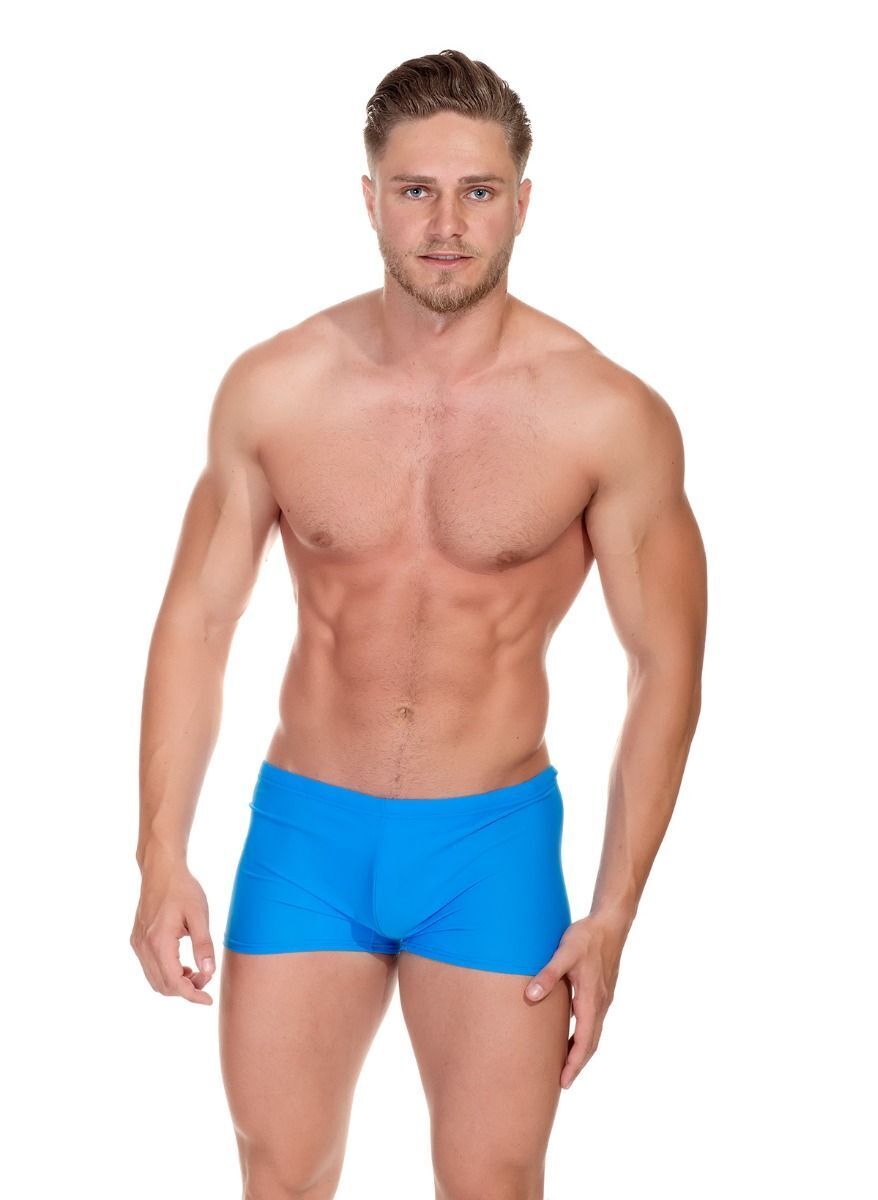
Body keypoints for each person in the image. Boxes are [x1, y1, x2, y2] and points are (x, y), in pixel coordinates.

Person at [131, 47, 707, 1200]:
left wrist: (612, 913)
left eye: (477, 191)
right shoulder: (276, 388)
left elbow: (663, 668)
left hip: (488, 847)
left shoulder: (606, 415)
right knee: (279, 1176)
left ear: (522, 203)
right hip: (306, 837)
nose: (446, 225)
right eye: (415, 190)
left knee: (491, 1183)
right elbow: (197, 622)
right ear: (369, 199)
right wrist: (158, 851)